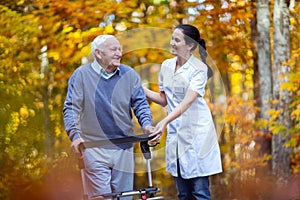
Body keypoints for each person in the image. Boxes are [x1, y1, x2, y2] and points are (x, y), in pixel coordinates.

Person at [63, 34, 154, 199]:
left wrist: (147, 125)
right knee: (101, 197)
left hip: (124, 146)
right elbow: (70, 108)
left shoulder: (129, 74)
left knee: (125, 197)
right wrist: (75, 136)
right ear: (98, 53)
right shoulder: (81, 75)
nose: (119, 53)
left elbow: (140, 104)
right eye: (114, 49)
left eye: (120, 49)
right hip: (94, 146)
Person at [144, 24, 222, 200]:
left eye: (177, 40)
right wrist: (140, 89)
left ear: (190, 46)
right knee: (183, 194)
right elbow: (164, 100)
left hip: (197, 135)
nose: (172, 43)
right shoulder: (166, 66)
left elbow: (186, 103)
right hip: (177, 137)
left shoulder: (199, 69)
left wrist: (164, 122)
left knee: (200, 193)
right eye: (172, 38)